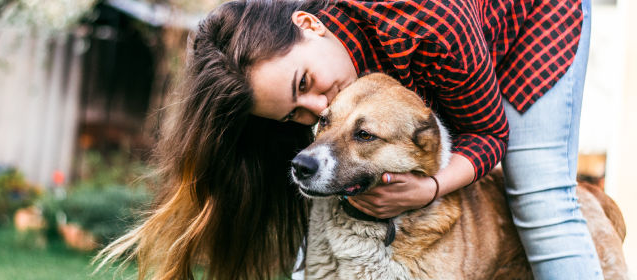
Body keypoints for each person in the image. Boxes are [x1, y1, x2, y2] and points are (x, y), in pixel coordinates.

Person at [96, 0, 599, 279]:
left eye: (304, 84)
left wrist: (429, 187)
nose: (315, 109)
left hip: (533, 24)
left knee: (537, 192)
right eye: (296, 112)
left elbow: (488, 132)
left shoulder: (428, 25)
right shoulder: (325, 71)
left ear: (310, 24)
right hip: (457, 49)